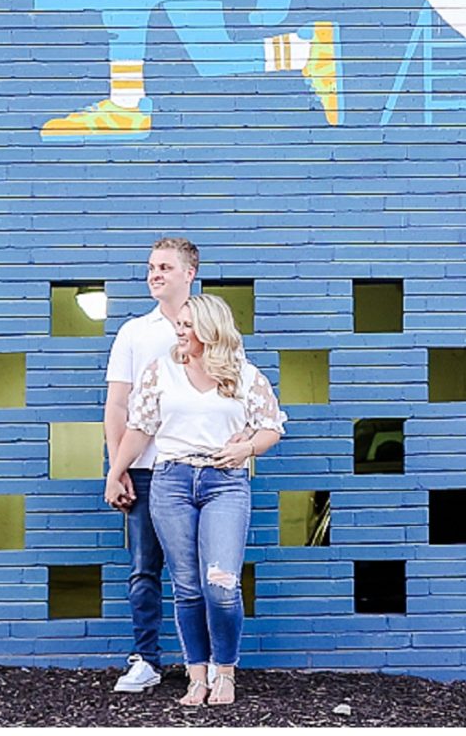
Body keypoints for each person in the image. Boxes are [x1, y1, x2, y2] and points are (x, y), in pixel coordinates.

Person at [106, 293, 286, 707]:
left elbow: (271, 427)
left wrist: (248, 449)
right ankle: (197, 676)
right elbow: (140, 428)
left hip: (225, 483)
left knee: (221, 585)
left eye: (187, 326)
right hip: (171, 482)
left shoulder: (243, 375)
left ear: (209, 330)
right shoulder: (161, 371)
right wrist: (116, 471)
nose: (179, 332)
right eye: (179, 325)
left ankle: (226, 672)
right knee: (186, 587)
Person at [100, 238, 195, 693]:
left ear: (189, 273)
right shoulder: (134, 332)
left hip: (197, 466)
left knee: (199, 570)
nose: (155, 274)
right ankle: (146, 660)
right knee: (144, 568)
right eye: (151, 267)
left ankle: (207, 662)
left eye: (165, 267)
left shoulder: (211, 324)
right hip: (144, 470)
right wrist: (117, 468)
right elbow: (117, 405)